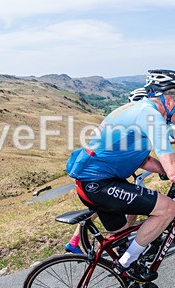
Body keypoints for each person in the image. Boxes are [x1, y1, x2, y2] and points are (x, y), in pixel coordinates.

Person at [65, 70, 175, 281]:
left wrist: (168, 169)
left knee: (122, 236)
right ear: (170, 100)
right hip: (100, 185)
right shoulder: (150, 116)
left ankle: (127, 279)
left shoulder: (139, 110)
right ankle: (125, 266)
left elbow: (141, 159)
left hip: (94, 182)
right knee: (169, 209)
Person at [63, 87, 148, 255]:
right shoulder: (135, 124)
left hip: (93, 173)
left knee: (101, 207)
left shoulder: (124, 119)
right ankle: (121, 245)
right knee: (113, 204)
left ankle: (76, 241)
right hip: (99, 176)